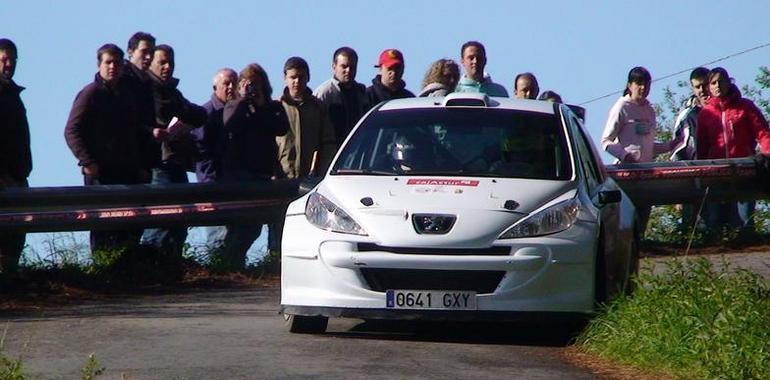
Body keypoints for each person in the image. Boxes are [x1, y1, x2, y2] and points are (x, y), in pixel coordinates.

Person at [64, 44, 147, 256]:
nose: (112, 67)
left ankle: (127, 272)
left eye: (117, 63)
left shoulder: (127, 94)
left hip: (127, 173)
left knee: (130, 227)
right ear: (99, 65)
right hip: (102, 174)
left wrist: (140, 165)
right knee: (104, 227)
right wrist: (87, 162)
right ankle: (103, 270)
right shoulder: (91, 93)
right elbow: (71, 130)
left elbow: (135, 131)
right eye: (108, 62)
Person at [210, 63, 288, 270]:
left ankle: (234, 265)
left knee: (254, 227)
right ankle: (229, 265)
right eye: (248, 84)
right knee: (245, 225)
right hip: (240, 174)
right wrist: (243, 100)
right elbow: (230, 123)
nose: (252, 89)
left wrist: (261, 105)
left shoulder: (271, 107)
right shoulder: (235, 105)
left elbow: (281, 128)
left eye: (256, 85)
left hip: (263, 174)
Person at [140, 44, 207, 261]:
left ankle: (169, 264)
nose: (168, 67)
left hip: (175, 161)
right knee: (162, 218)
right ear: (150, 63)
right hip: (159, 163)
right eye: (162, 62)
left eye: (171, 63)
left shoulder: (172, 92)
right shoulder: (145, 90)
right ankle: (152, 265)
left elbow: (198, 114)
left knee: (180, 218)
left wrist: (184, 118)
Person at [601, 67, 678, 232]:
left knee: (643, 215)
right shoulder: (621, 107)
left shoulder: (650, 110)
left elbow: (649, 148)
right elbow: (606, 141)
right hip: (627, 174)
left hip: (647, 173)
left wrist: (669, 145)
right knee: (628, 217)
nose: (643, 88)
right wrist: (625, 155)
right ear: (630, 85)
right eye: (639, 84)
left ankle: (643, 248)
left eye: (647, 84)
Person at [696, 67, 770, 237]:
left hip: (745, 170)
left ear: (729, 82)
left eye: (721, 81)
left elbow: (763, 133)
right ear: (709, 87)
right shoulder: (705, 114)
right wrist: (701, 173)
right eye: (713, 83)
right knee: (715, 222)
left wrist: (767, 154)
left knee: (745, 222)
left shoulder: (746, 107)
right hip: (716, 173)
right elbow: (702, 147)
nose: (717, 85)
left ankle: (747, 259)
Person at [0, 38, 32, 274]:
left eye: (12, 59)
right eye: (3, 59)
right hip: (4, 178)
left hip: (18, 176)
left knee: (17, 232)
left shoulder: (13, 94)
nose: (8, 64)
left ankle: (9, 276)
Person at [278, 57, 337, 179]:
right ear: (285, 78)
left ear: (308, 78)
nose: (297, 81)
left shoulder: (318, 108)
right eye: (293, 77)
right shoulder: (277, 107)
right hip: (282, 177)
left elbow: (328, 143)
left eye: (301, 77)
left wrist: (322, 171)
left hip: (310, 178)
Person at [670, 67, 710, 233]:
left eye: (704, 85)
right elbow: (677, 151)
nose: (702, 90)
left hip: (719, 175)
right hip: (692, 177)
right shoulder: (687, 116)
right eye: (697, 86)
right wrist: (677, 191)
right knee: (692, 228)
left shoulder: (725, 111)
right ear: (692, 88)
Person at [314, 47, 367, 147]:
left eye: (352, 67)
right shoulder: (324, 93)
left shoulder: (362, 93)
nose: (348, 70)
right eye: (344, 66)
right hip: (332, 152)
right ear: (334, 66)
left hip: (357, 150)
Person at [192, 68, 238, 183]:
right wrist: (209, 181)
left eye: (234, 83)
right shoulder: (206, 114)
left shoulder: (240, 112)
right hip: (213, 183)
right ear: (215, 88)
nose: (231, 87)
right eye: (226, 83)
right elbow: (201, 151)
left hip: (234, 181)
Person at [121, 32, 157, 173]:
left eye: (152, 53)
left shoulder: (146, 81)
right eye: (144, 52)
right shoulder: (123, 81)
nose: (148, 57)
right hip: (125, 159)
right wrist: (149, 131)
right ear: (130, 51)